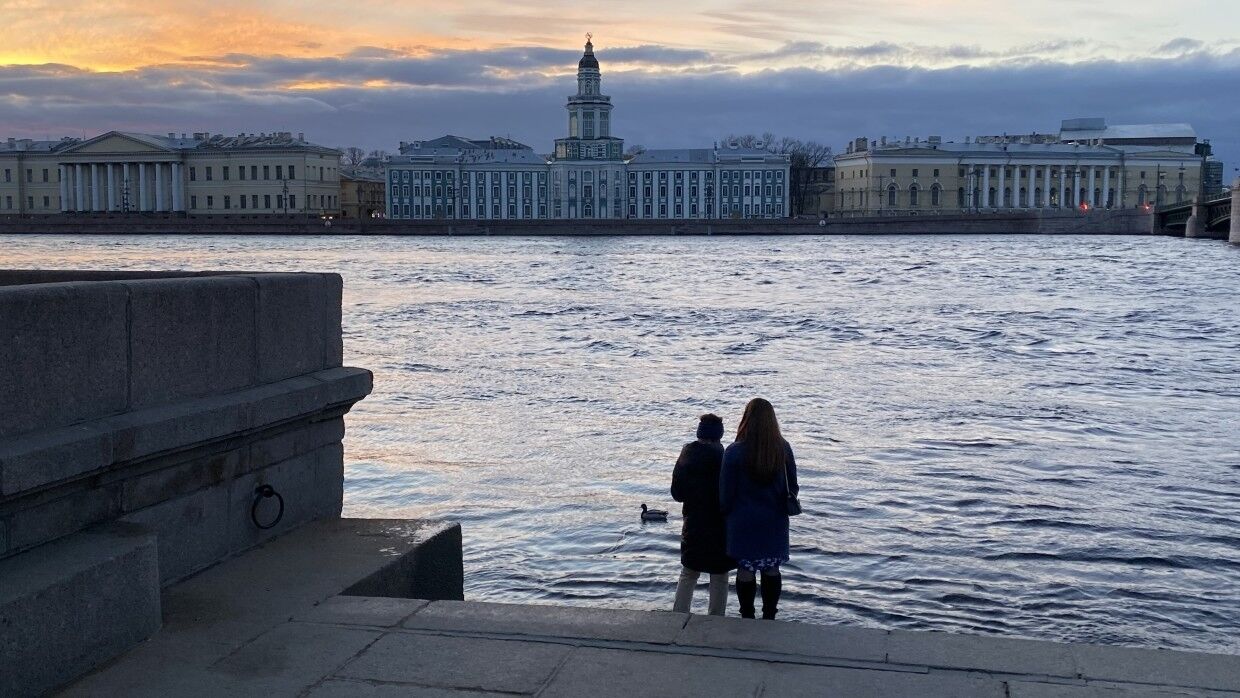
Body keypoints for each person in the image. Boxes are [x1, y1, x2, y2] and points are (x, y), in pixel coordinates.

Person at [720, 398, 798, 620]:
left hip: (743, 521)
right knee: (772, 569)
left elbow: (725, 494)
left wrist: (726, 515)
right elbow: (792, 486)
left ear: (747, 419)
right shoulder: (783, 448)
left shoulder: (734, 452)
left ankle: (747, 616)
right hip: (774, 521)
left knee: (745, 570)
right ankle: (770, 616)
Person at [670, 413, 736, 615]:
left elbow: (677, 494)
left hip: (693, 524)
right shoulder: (724, 458)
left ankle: (679, 614)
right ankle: (716, 618)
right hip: (719, 527)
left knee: (689, 572)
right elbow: (730, 495)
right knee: (719, 575)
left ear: (699, 432)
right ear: (719, 435)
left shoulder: (686, 455)